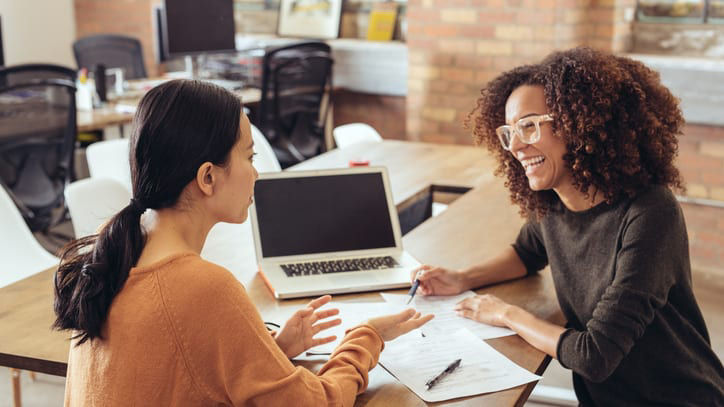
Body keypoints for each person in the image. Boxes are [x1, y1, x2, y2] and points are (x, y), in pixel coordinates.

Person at [54, 79, 433, 406]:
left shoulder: (113, 250)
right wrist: (367, 338)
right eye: (250, 157)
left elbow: (177, 370)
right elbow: (317, 403)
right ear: (207, 178)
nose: (256, 172)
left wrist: (271, 350)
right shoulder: (203, 287)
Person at [411, 47, 724, 406]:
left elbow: (593, 355)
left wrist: (506, 314)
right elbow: (526, 253)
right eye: (509, 131)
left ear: (581, 123)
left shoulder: (650, 212)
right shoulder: (555, 203)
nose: (515, 145)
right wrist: (463, 278)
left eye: (528, 126)